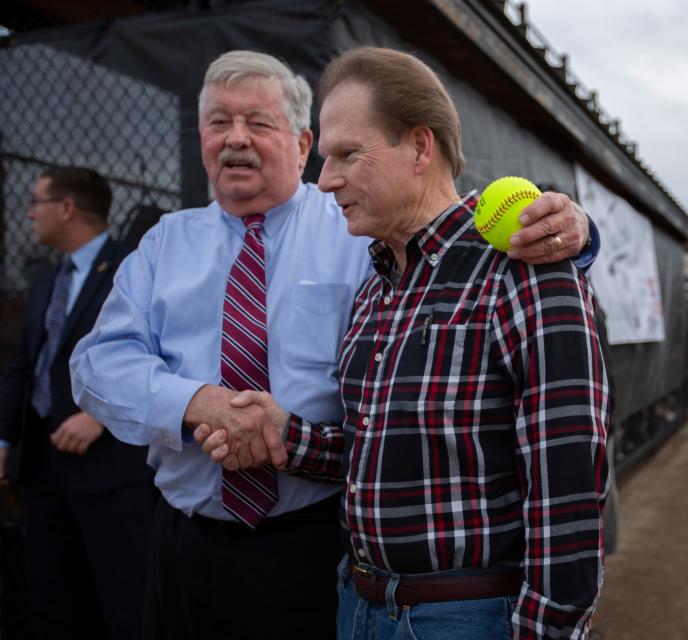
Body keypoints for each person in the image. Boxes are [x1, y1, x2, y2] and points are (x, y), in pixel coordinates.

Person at [69, 50, 597, 639]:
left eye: (258, 123)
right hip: (272, 567)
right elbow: (96, 364)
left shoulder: (366, 233)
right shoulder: (178, 243)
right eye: (218, 122)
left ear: (299, 144)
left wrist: (573, 233)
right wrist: (227, 413)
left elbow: (568, 482)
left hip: (330, 558)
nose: (235, 140)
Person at [0, 167, 157, 639]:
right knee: (52, 601)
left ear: (66, 208)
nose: (28, 212)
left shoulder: (134, 265)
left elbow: (159, 354)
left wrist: (99, 416)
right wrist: (5, 438)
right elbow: (24, 367)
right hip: (44, 467)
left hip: (110, 470)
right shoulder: (48, 281)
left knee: (124, 600)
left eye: (37, 201)